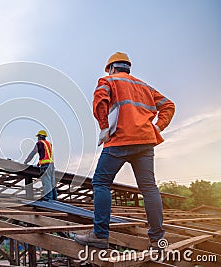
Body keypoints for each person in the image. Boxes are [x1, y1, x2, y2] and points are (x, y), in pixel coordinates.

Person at [75, 52, 175, 249]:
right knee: (149, 188)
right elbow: (169, 106)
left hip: (120, 140)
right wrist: (158, 127)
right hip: (145, 141)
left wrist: (104, 127)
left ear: (112, 68)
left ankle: (100, 235)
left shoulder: (108, 80)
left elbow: (100, 101)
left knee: (101, 182)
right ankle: (157, 240)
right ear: (127, 68)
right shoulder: (144, 86)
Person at [24, 130, 57, 200]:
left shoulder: (39, 143)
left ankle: (48, 198)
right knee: (52, 182)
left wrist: (26, 161)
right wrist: (39, 163)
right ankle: (54, 198)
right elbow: (46, 155)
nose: (37, 138)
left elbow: (33, 152)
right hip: (51, 165)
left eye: (38, 137)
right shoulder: (49, 144)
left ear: (40, 136)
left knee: (46, 182)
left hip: (45, 166)